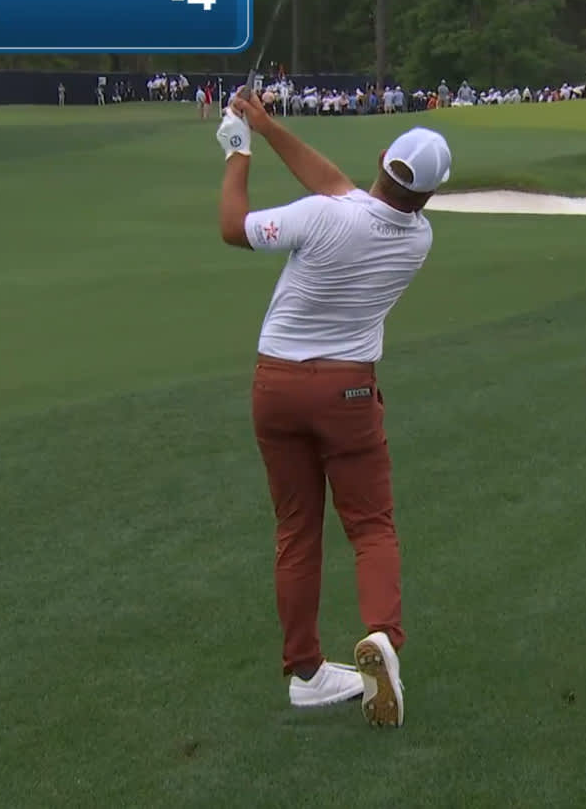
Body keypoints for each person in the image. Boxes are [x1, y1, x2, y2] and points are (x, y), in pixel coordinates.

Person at [213, 87, 452, 729]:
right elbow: (343, 190)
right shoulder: (417, 237)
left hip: (276, 386)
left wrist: (238, 150)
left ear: (382, 157)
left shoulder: (323, 215)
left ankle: (306, 672)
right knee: (370, 526)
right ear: (428, 195)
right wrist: (267, 125)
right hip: (347, 391)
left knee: (296, 531)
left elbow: (235, 228)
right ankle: (382, 639)